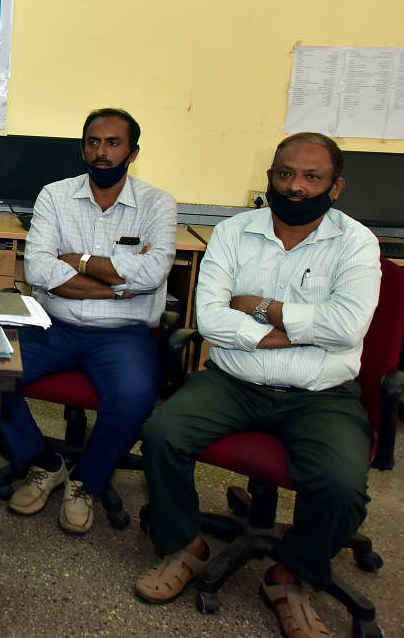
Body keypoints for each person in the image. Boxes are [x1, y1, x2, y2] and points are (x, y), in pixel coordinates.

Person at [136, 133, 380, 637]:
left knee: (341, 485)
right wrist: (289, 337)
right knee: (162, 434)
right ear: (269, 176)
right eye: (285, 174)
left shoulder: (356, 242)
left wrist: (261, 309)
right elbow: (210, 317)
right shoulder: (232, 232)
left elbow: (345, 328)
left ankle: (290, 574)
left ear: (336, 188)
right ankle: (186, 545)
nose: (295, 187)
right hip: (234, 379)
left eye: (312, 177)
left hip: (321, 395)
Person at [0, 108, 177, 534]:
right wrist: (118, 283)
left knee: (134, 396)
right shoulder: (55, 196)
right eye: (94, 142)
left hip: (123, 335)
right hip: (53, 324)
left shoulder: (157, 203)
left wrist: (76, 261)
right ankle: (43, 464)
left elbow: (152, 276)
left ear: (133, 153)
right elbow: (39, 272)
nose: (102, 152)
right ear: (82, 149)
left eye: (113, 143)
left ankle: (87, 482)